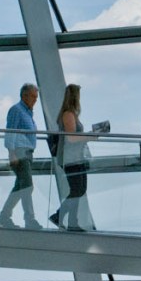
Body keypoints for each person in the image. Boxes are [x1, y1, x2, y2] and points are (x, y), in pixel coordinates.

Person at [49, 83, 94, 231]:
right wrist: (89, 136)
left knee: (79, 189)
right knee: (77, 190)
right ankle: (64, 218)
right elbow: (71, 138)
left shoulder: (71, 114)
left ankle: (70, 220)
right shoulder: (68, 114)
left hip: (76, 157)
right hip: (70, 158)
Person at [0, 82, 42, 229]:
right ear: (25, 96)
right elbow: (10, 131)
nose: (36, 100)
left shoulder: (29, 113)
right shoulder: (16, 110)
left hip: (28, 153)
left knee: (20, 187)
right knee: (27, 187)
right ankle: (30, 220)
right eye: (33, 97)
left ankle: (4, 217)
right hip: (20, 153)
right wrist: (11, 154)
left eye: (37, 97)